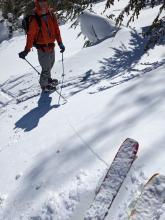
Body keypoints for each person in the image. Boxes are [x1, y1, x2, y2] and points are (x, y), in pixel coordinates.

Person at [19, 0, 65, 92]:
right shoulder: (35, 18)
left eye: (44, 2)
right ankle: (44, 86)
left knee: (51, 64)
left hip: (51, 45)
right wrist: (26, 50)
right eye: (41, 2)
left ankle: (48, 79)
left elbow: (56, 30)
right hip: (42, 47)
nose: (43, 4)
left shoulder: (50, 14)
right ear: (37, 4)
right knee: (46, 67)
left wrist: (60, 43)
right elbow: (30, 36)